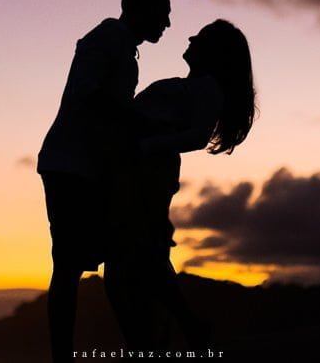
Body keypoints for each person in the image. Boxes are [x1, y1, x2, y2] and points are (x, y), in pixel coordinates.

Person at [37, 0, 171, 363]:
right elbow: (89, 95)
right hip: (71, 166)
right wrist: (142, 124)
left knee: (99, 261)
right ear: (139, 9)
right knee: (68, 267)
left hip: (85, 169)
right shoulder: (107, 39)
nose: (166, 24)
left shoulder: (119, 46)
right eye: (162, 14)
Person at [105, 19, 257, 349]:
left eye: (199, 37)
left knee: (132, 260)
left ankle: (172, 334)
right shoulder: (198, 86)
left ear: (214, 52)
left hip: (147, 175)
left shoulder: (207, 87)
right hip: (139, 173)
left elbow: (198, 136)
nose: (189, 37)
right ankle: (166, 336)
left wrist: (144, 146)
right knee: (134, 260)